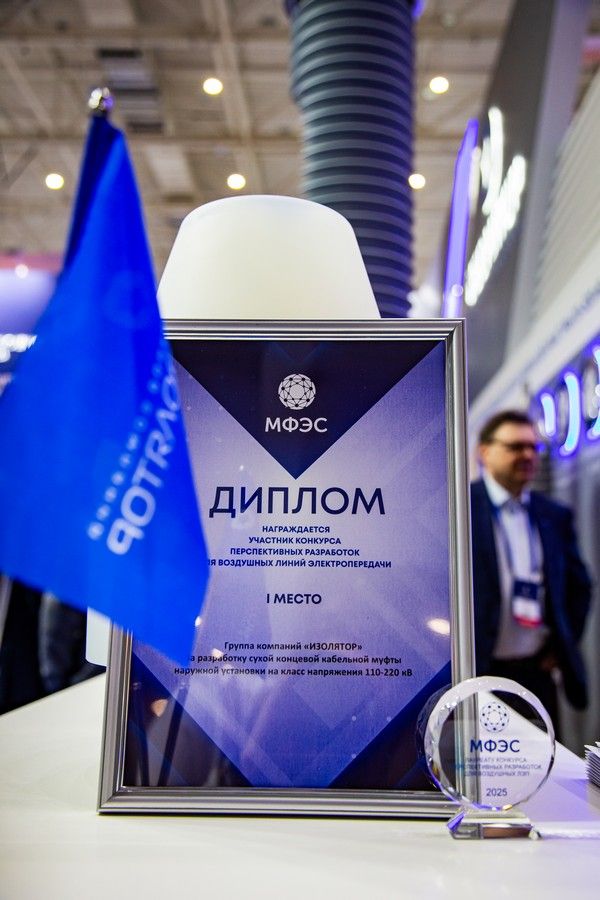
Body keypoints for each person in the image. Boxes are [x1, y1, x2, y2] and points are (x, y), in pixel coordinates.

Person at [471, 409, 592, 737]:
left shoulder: (553, 514)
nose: (527, 455)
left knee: (545, 760)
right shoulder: (461, 508)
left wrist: (562, 644)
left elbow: (580, 586)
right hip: (478, 673)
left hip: (536, 673)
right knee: (480, 764)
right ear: (485, 452)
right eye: (515, 447)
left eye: (532, 447)